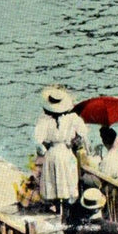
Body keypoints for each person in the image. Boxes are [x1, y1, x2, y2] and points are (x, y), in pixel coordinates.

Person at [34, 85, 88, 217]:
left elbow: (38, 142)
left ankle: (58, 209)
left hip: (53, 152)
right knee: (68, 180)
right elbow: (83, 133)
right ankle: (67, 210)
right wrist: (74, 141)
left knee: (54, 180)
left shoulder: (44, 120)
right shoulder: (73, 118)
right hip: (66, 151)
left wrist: (45, 148)